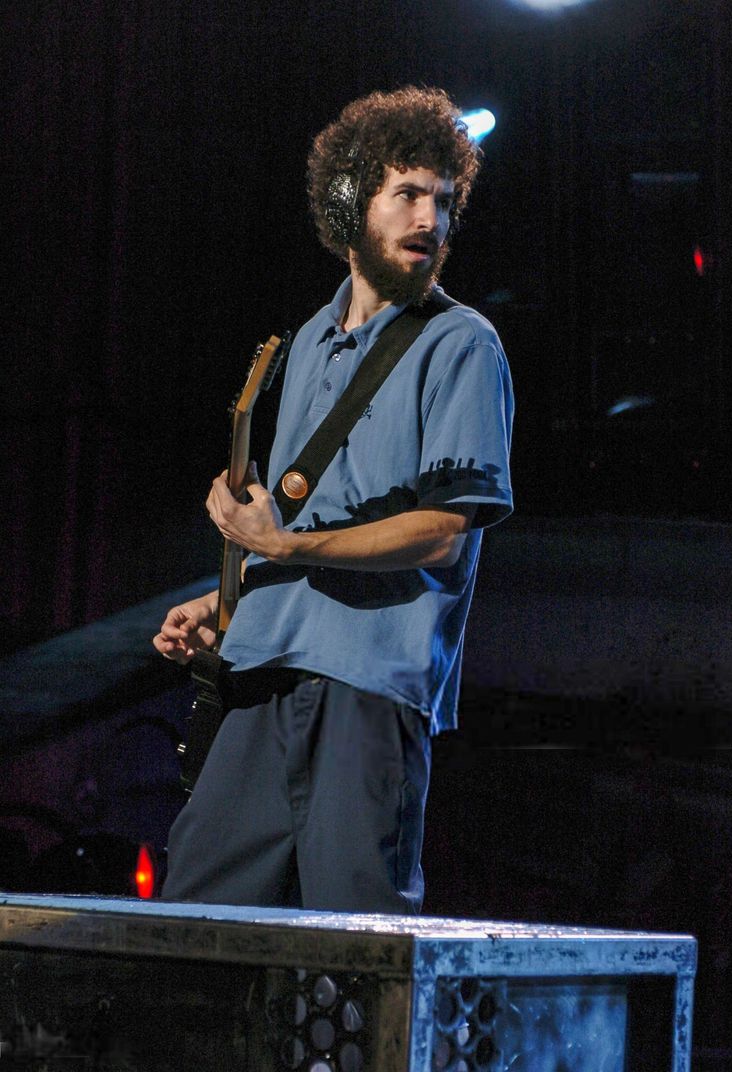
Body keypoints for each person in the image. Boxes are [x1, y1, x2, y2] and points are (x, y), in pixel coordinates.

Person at [153, 86, 514, 914]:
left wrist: (281, 548)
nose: (432, 219)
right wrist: (225, 602)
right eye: (409, 195)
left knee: (355, 947)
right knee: (200, 914)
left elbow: (441, 534)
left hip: (368, 683)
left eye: (445, 201)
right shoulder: (309, 339)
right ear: (352, 203)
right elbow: (301, 529)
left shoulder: (462, 343)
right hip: (262, 670)